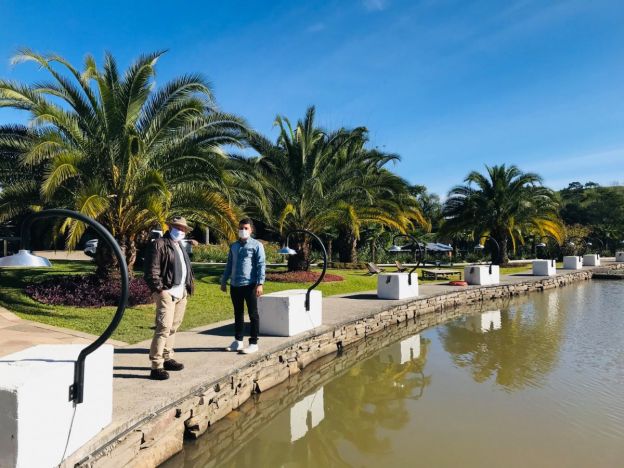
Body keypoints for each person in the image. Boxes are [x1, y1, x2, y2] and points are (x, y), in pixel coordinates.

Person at [144, 216, 195, 380]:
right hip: (166, 292)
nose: (180, 231)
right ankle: (156, 365)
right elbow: (152, 270)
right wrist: (159, 289)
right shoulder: (159, 244)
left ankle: (167, 357)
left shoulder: (179, 245)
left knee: (173, 326)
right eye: (177, 227)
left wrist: (187, 287)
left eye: (183, 229)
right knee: (163, 327)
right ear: (170, 227)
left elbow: (185, 267)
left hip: (181, 293)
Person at [221, 218, 266, 354]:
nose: (243, 230)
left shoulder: (257, 245)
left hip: (250, 285)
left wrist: (260, 283)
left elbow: (261, 265)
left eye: (246, 228)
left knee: (253, 314)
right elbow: (229, 264)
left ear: (251, 230)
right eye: (241, 228)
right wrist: (224, 281)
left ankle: (253, 342)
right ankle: (238, 341)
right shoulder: (234, 246)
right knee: (238, 313)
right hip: (235, 285)